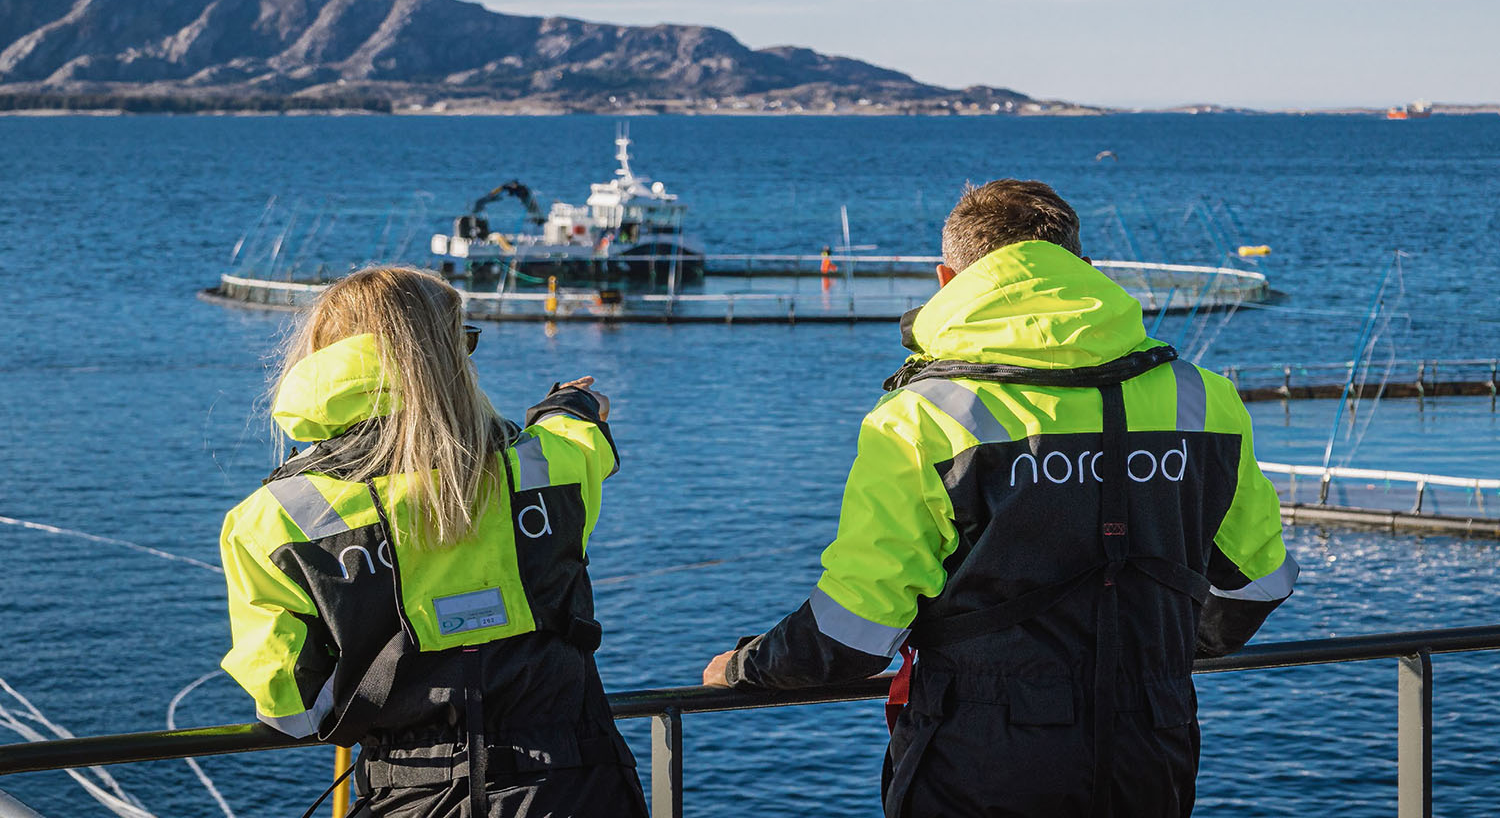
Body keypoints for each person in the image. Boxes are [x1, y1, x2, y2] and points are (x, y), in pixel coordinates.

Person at [703, 180, 1296, 818]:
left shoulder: (922, 416)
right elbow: (1257, 586)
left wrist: (745, 668)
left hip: (980, 759)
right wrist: (1157, 649)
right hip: (1152, 749)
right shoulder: (1204, 399)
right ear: (1086, 271)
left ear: (946, 278)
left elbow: (856, 633)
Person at [220, 266, 647, 818]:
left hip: (411, 797)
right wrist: (571, 406)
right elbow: (581, 439)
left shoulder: (271, 520)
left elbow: (292, 711)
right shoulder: (549, 468)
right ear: (447, 357)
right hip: (581, 791)